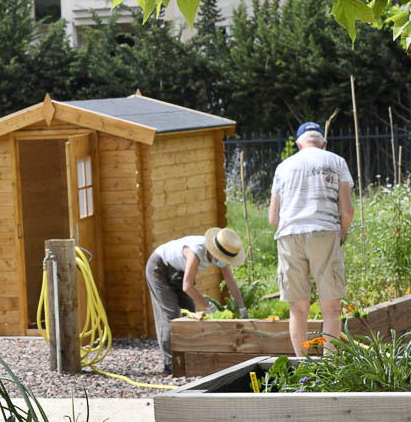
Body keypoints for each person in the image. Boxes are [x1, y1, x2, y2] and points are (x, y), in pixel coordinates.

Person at [268, 121, 355, 357]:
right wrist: (342, 232)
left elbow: (273, 217)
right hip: (325, 232)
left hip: (289, 235)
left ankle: (304, 369)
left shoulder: (283, 167)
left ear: (298, 144)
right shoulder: (337, 161)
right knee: (331, 307)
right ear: (323, 143)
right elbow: (347, 211)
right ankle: (330, 368)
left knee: (297, 308)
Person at [145, 227, 248, 375]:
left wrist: (242, 307)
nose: (223, 262)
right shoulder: (196, 251)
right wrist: (209, 306)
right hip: (159, 268)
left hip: (179, 273)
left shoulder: (221, 253)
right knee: (171, 315)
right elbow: (187, 287)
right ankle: (170, 365)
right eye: (222, 259)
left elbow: (230, 281)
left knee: (190, 313)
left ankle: (188, 357)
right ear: (214, 252)